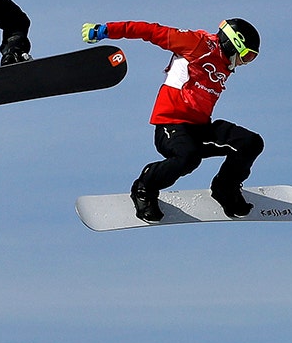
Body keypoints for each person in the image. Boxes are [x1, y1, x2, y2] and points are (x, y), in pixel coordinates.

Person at [79, 17, 263, 223]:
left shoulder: (223, 63)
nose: (245, 63)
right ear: (233, 43)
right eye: (247, 56)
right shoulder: (197, 43)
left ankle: (225, 188)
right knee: (189, 157)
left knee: (250, 143)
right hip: (171, 125)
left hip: (200, 128)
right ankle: (145, 187)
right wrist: (106, 30)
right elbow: (151, 31)